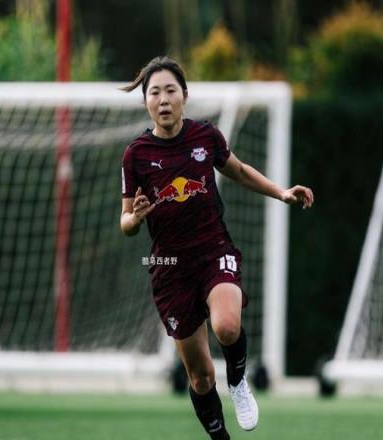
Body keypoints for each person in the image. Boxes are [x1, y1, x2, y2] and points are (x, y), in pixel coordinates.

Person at [120, 56, 314, 439]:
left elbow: (239, 171)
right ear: (145, 102)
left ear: (184, 95)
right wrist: (135, 219)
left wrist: (281, 192)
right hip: (170, 269)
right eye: (155, 93)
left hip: (213, 250)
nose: (163, 99)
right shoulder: (135, 155)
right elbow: (125, 222)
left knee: (226, 326)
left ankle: (238, 382)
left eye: (170, 90)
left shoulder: (205, 137)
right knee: (201, 376)